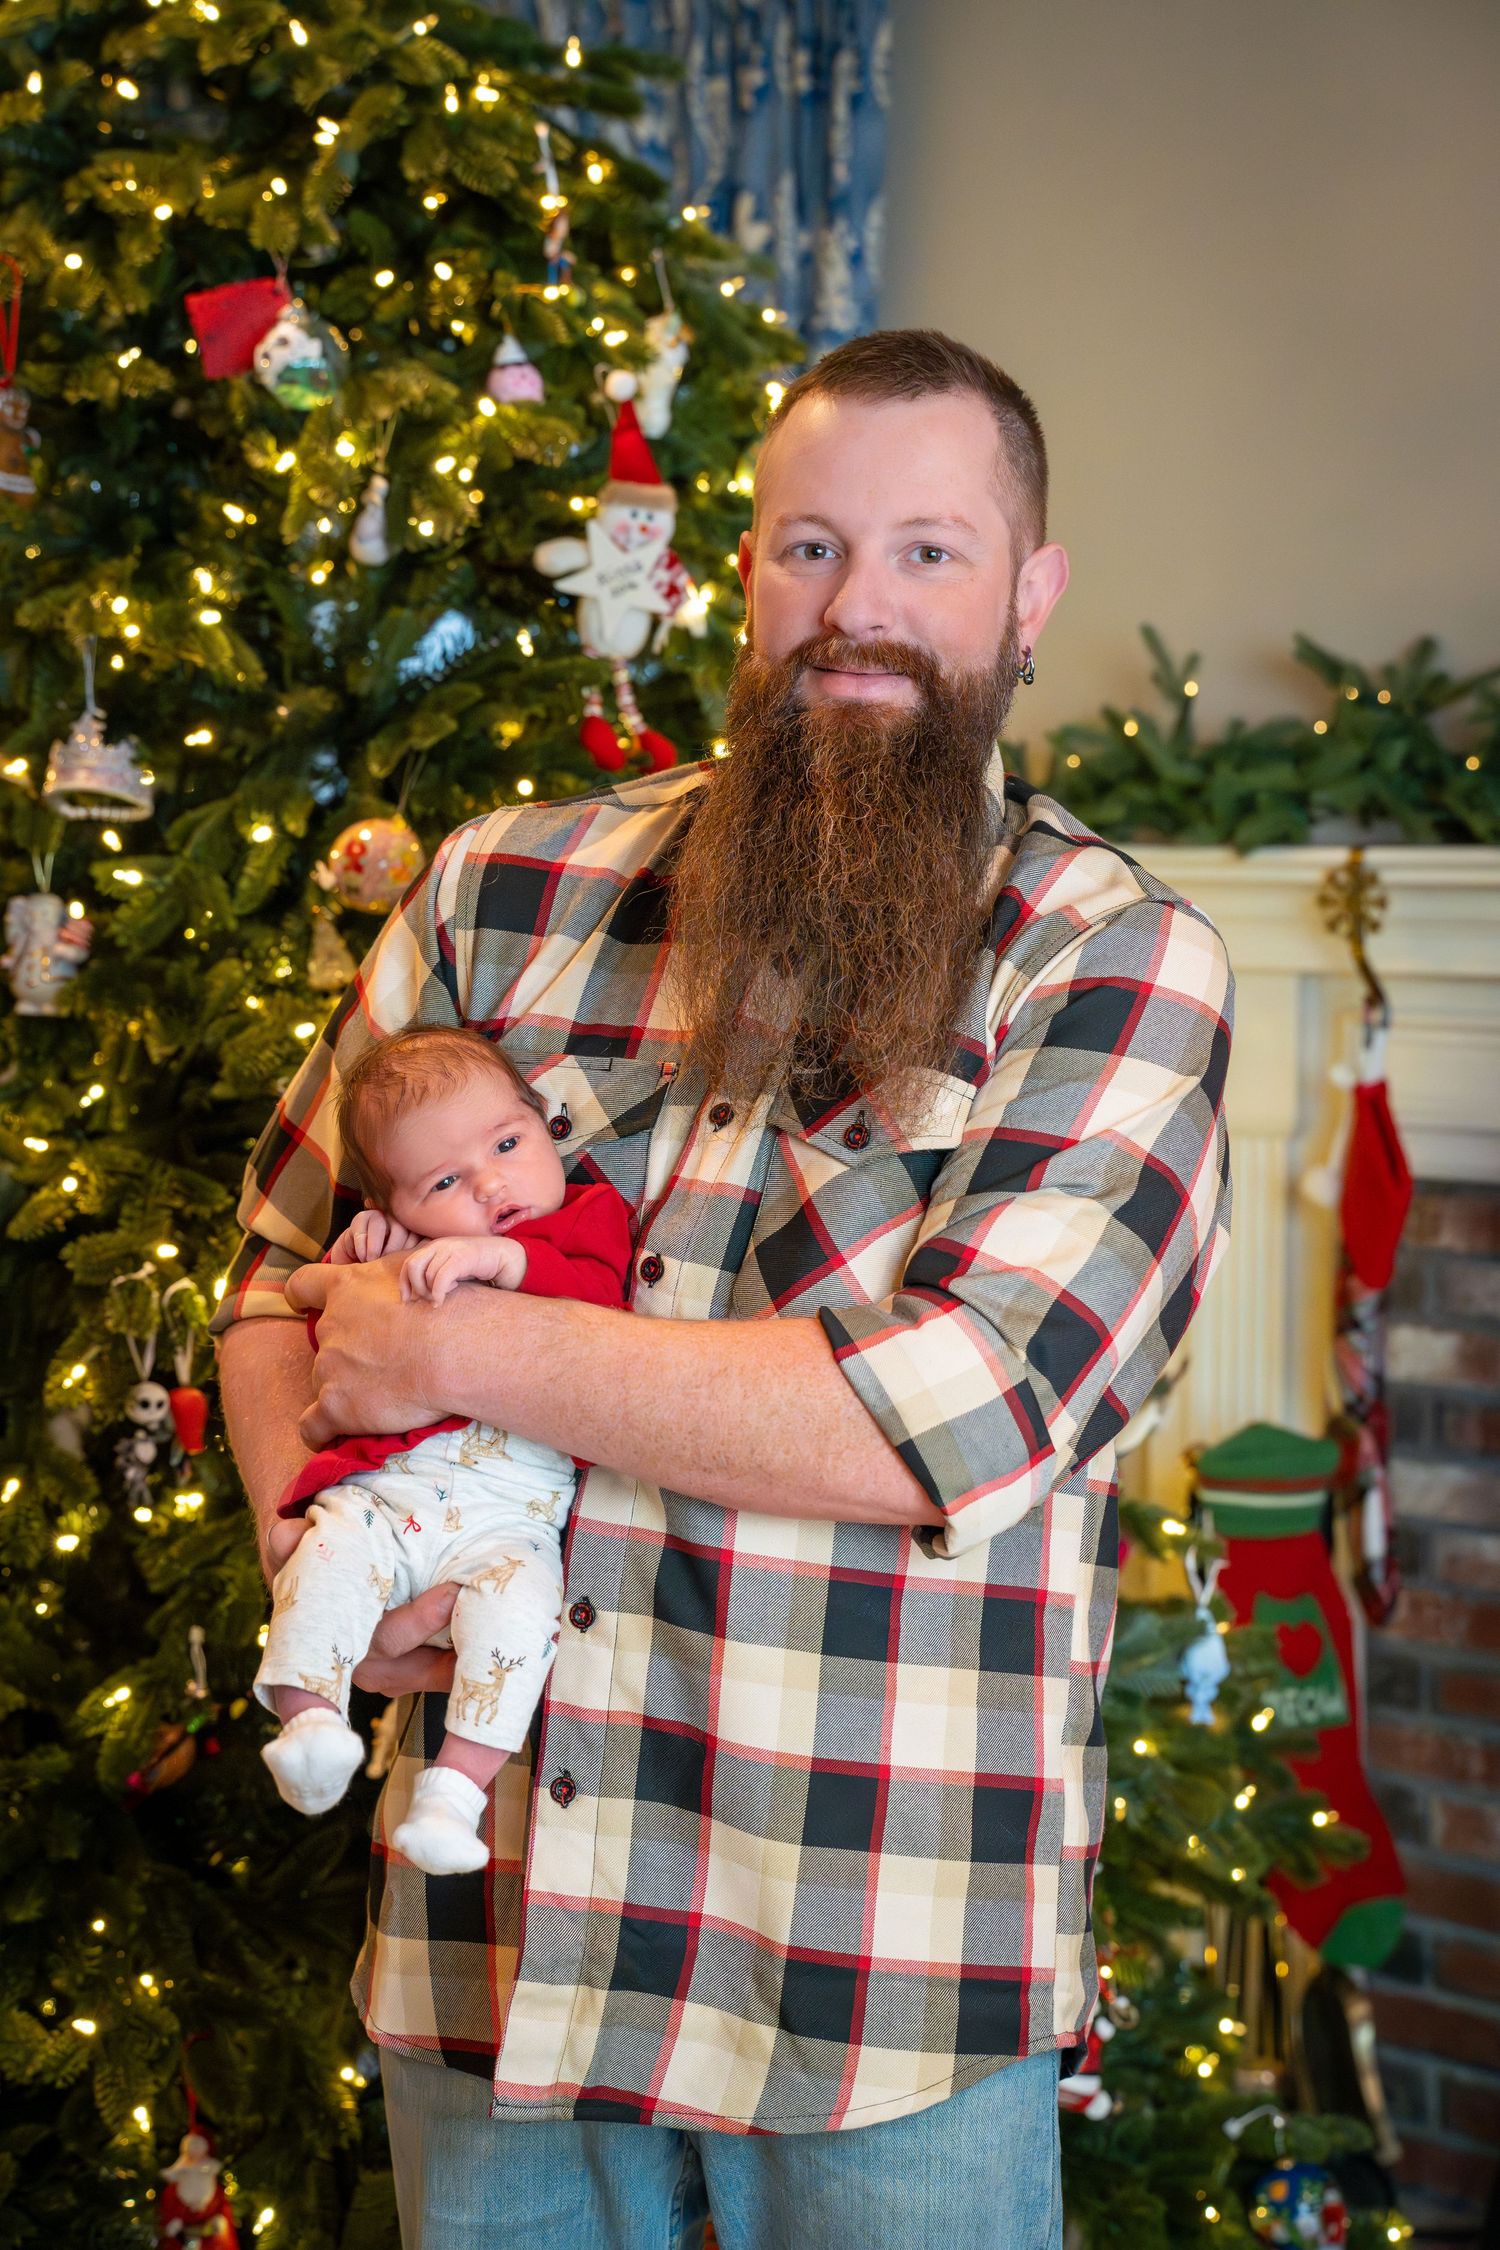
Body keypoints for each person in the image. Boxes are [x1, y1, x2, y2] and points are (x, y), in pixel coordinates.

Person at [214, 327, 1233, 2250]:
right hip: (495, 1952)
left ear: (1031, 595)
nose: (859, 610)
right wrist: (313, 1550)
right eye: (812, 549)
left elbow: (950, 1414)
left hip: (876, 1977)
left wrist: (453, 1346)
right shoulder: (499, 892)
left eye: (929, 551)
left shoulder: (1109, 961)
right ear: (743, 573)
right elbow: (274, 1286)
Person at [253, 1025, 634, 1875]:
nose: (491, 1184)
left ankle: (454, 1796)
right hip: (386, 1491)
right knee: (325, 1564)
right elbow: (334, 1357)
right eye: (445, 1181)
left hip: (511, 1522)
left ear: (544, 1122)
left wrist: (501, 1258)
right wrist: (361, 1263)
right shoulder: (405, 1248)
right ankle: (308, 1721)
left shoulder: (588, 1218)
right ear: (396, 1204)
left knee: (520, 1622)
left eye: (507, 1144)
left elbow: (600, 1297)